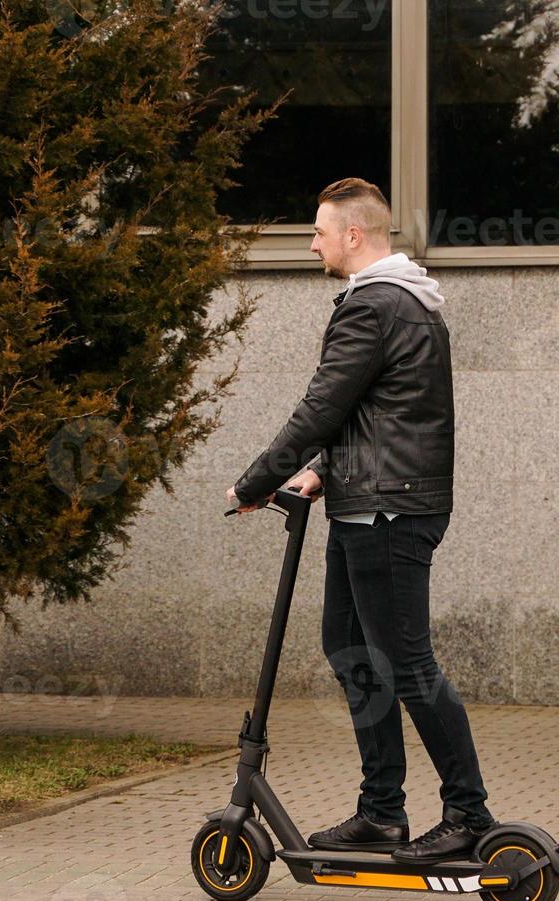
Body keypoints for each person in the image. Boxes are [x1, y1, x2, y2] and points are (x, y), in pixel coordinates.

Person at [227, 177, 495, 863]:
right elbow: (377, 409)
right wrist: (320, 468)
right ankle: (381, 812)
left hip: (388, 510)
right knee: (349, 647)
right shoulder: (398, 303)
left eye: (318, 232)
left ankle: (468, 814)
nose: (312, 244)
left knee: (407, 663)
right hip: (367, 500)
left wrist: (257, 480)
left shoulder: (373, 306)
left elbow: (323, 404)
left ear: (353, 235)